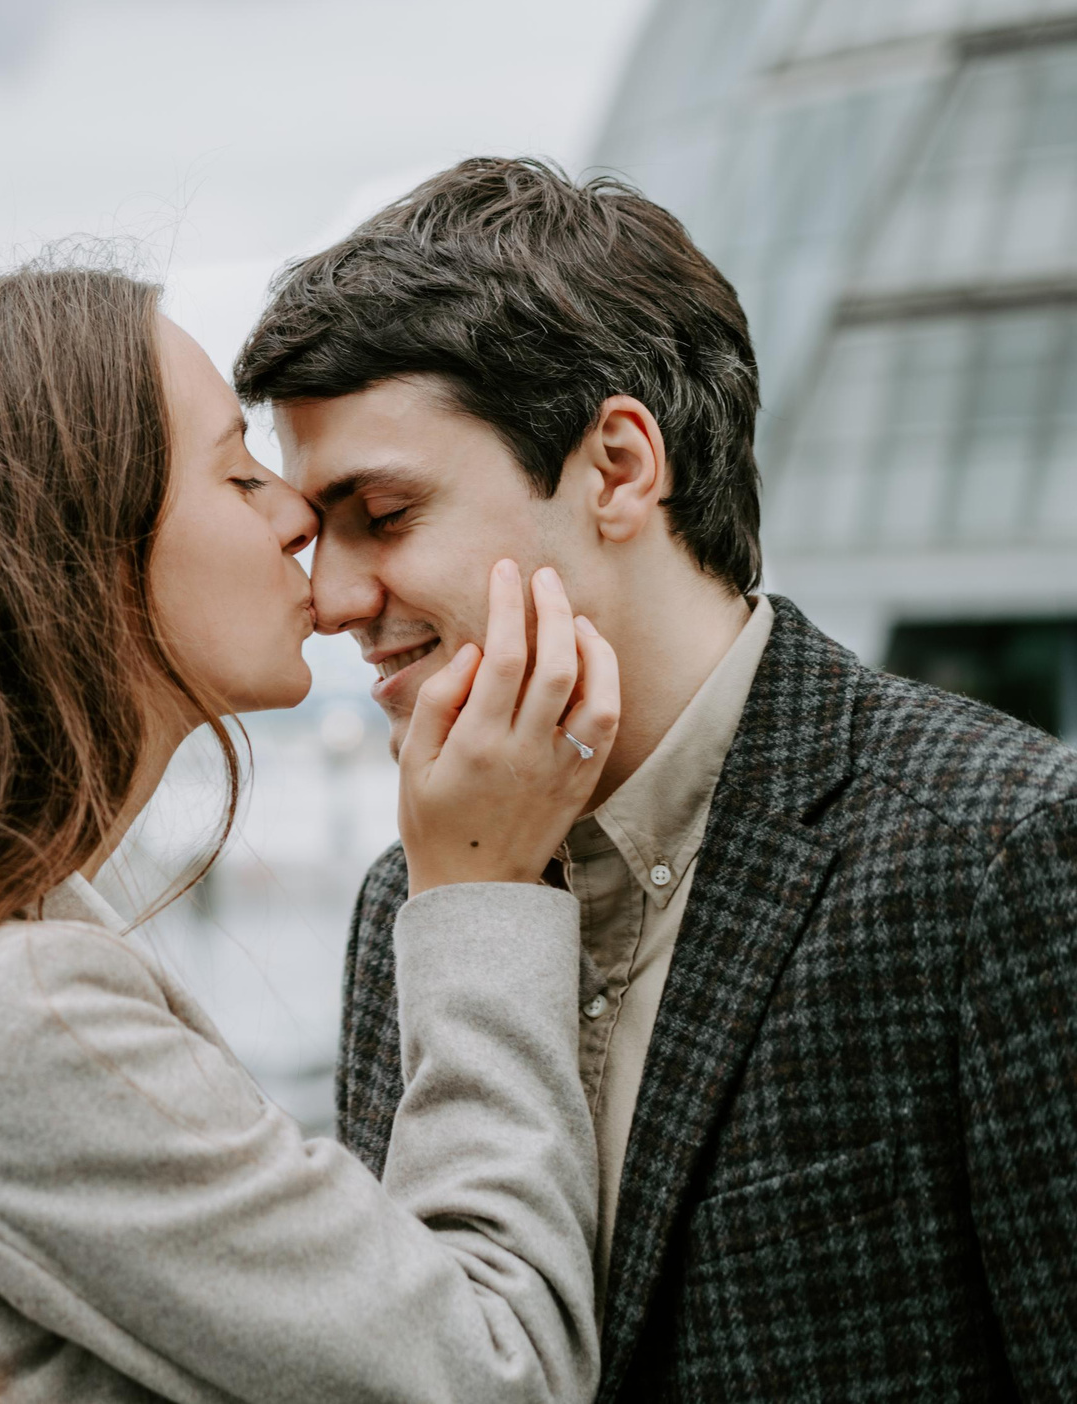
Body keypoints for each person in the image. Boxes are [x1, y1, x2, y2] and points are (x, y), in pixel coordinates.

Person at [0, 268, 618, 1404]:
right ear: (71, 551)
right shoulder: (24, 1020)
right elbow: (502, 1376)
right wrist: (481, 886)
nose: (295, 515)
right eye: (234, 471)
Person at [235, 158, 1077, 1402]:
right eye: (320, 531)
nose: (332, 598)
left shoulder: (1001, 853)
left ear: (620, 467)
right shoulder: (404, 908)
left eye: (384, 512)